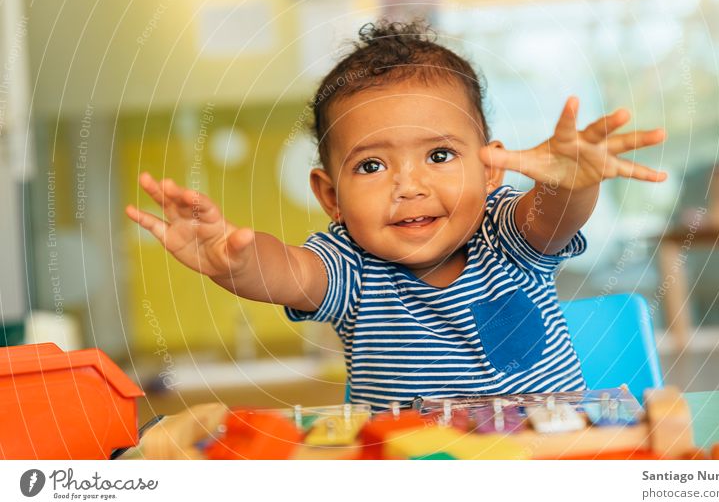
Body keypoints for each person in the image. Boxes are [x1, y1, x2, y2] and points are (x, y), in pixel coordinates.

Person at [126, 20, 666, 409]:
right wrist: (233, 264)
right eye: (372, 166)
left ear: (489, 169)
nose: (409, 186)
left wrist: (571, 183)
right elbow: (288, 273)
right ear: (331, 196)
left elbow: (554, 217)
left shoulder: (505, 231)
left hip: (551, 461)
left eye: (438, 156)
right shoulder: (349, 264)